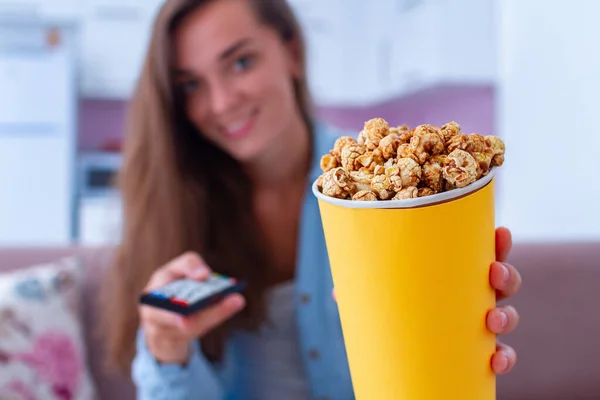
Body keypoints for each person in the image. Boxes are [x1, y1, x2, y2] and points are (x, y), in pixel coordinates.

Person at [100, 0, 523, 398]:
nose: (222, 102)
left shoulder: (386, 190)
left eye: (241, 62)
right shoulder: (175, 210)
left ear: (292, 53)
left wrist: (462, 325)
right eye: (191, 84)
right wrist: (165, 348)